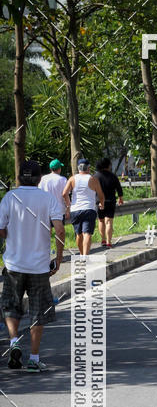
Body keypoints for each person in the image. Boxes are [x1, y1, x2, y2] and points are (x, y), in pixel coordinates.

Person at [0, 159, 65, 371]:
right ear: (39, 179)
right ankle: (34, 360)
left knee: (11, 306)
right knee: (38, 311)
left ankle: (14, 343)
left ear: (19, 177)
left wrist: (10, 235)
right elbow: (60, 230)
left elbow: (0, 228)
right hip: (39, 267)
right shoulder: (47, 199)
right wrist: (59, 258)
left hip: (13, 264)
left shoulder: (9, 197)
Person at [63, 159, 104, 256]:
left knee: (79, 234)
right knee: (87, 233)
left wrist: (69, 204)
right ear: (88, 168)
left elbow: (64, 193)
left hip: (75, 210)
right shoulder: (93, 179)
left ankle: (81, 255)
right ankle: (85, 256)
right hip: (89, 209)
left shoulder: (72, 179)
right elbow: (101, 195)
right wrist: (102, 203)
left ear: (78, 168)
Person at [95, 158, 123, 248]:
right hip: (110, 201)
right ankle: (109, 242)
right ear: (108, 165)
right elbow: (119, 188)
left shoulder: (95, 176)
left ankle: (103, 239)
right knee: (109, 222)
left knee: (101, 220)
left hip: (99, 201)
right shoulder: (113, 176)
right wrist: (120, 198)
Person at [39, 159, 67, 224]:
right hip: (59, 209)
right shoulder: (63, 179)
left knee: (47, 229)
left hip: (46, 208)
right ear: (59, 169)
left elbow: (40, 193)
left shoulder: (44, 178)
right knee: (59, 229)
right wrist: (67, 207)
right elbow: (65, 194)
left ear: (50, 168)